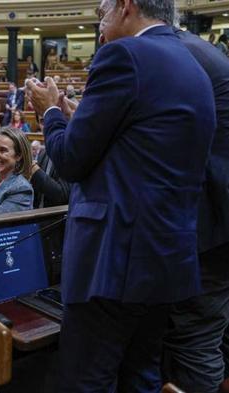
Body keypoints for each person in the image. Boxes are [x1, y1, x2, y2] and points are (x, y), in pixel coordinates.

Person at [24, 0, 216, 389]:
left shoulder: (124, 55)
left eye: (102, 12)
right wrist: (79, 117)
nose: (100, 25)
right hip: (164, 260)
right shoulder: (193, 64)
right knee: (141, 377)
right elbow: (140, 149)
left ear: (127, 6)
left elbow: (71, 159)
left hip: (112, 262)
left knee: (87, 381)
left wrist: (50, 113)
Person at [161, 27, 229, 393]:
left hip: (208, 229)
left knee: (194, 338)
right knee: (211, 332)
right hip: (218, 224)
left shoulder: (174, 55)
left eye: (104, 14)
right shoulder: (201, 51)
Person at [30, 141, 70, 209]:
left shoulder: (70, 154)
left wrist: (34, 169)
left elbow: (61, 196)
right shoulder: (44, 152)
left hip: (57, 216)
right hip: (36, 213)